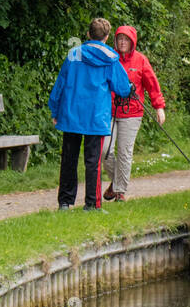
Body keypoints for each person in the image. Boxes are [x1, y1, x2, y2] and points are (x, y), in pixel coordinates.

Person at [48, 18, 133, 211]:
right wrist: (130, 88)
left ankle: (65, 202)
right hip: (96, 116)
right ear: (107, 36)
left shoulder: (74, 54)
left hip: (71, 114)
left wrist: (55, 109)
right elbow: (122, 88)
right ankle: (92, 204)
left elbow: (60, 84)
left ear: (88, 34)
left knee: (69, 159)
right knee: (93, 162)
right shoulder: (110, 58)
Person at [103, 25, 166, 201]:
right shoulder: (110, 59)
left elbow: (152, 84)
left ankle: (120, 191)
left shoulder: (141, 60)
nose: (122, 42)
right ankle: (116, 182)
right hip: (110, 112)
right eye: (120, 39)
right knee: (105, 150)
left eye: (126, 39)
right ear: (115, 40)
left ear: (132, 42)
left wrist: (159, 107)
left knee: (124, 152)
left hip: (132, 113)